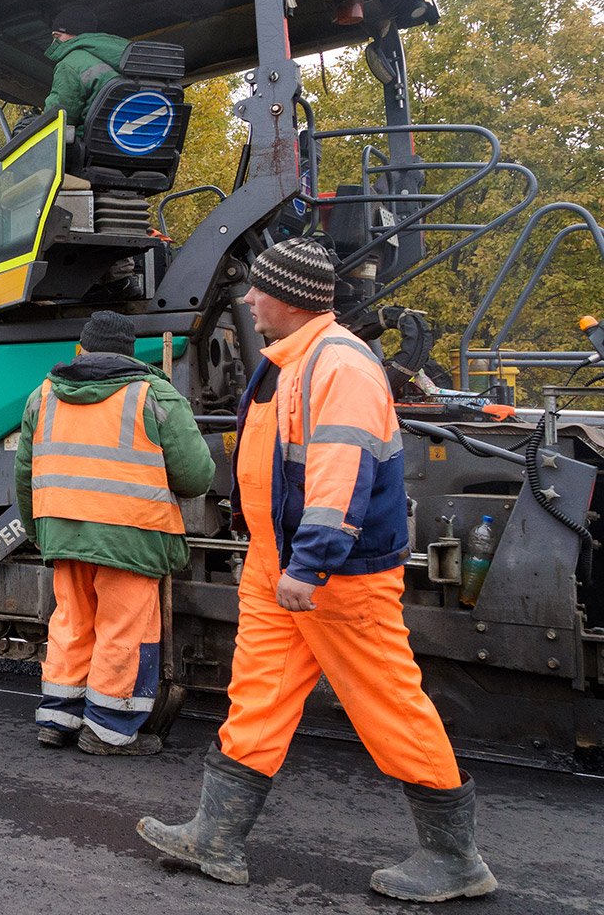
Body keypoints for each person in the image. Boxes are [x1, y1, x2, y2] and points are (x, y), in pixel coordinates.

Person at [137, 238, 496, 901]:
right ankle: (216, 839)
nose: (247, 300)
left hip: (334, 575)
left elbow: (340, 472)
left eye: (259, 290)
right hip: (284, 567)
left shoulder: (340, 366)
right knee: (259, 698)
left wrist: (311, 564)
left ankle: (456, 860)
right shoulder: (289, 362)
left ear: (293, 299)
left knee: (388, 705)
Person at [16, 309, 213, 756]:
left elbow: (25, 474)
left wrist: (38, 532)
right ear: (130, 353)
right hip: (131, 534)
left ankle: (58, 718)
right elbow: (196, 477)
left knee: (71, 621)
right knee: (124, 629)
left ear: (80, 350)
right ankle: (108, 730)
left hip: (64, 532)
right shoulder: (153, 394)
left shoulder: (42, 396)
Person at [42, 4, 129, 130]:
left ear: (74, 33)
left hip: (93, 142)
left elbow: (58, 118)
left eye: (57, 36)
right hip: (138, 141)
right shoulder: (125, 54)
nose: (53, 43)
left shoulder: (70, 64)